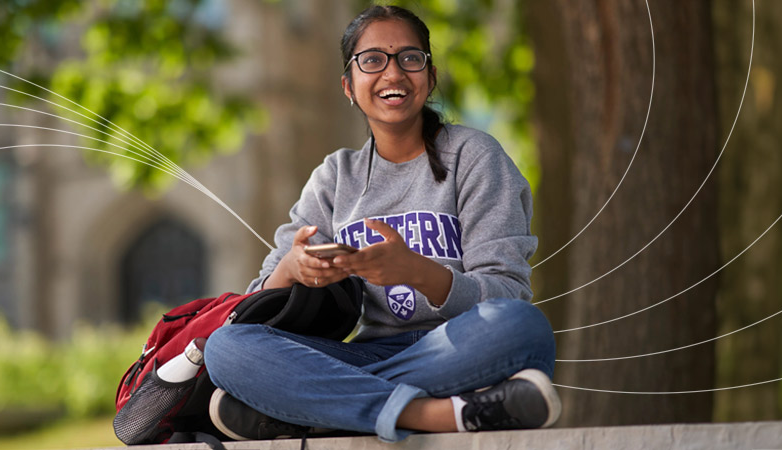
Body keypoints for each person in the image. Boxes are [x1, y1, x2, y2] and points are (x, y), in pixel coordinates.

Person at [203, 4, 559, 442]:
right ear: (348, 85)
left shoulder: (475, 157)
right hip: (361, 356)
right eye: (371, 61)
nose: (393, 74)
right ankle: (432, 414)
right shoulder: (334, 177)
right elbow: (251, 310)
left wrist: (416, 272)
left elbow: (507, 293)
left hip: (455, 348)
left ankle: (316, 408)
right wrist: (291, 269)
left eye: (410, 58)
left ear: (429, 78)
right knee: (227, 350)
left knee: (522, 327)